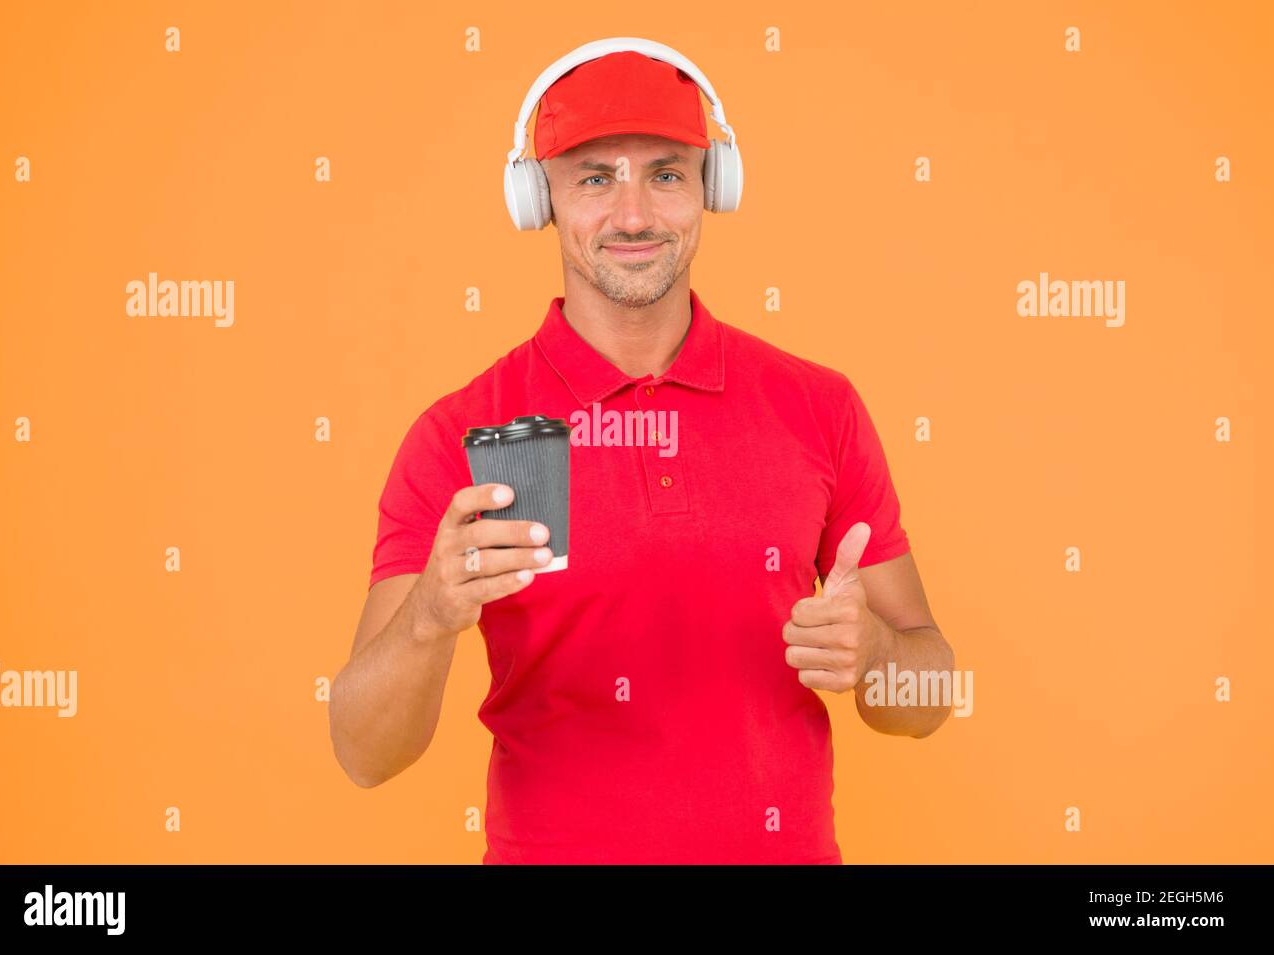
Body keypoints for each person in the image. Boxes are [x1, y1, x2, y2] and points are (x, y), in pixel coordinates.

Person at [329, 40, 954, 864]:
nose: (632, 215)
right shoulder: (471, 435)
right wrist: (431, 616)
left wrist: (875, 651)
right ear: (537, 196)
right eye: (594, 176)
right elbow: (364, 754)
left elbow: (932, 693)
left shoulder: (818, 406)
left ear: (711, 189)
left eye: (665, 174)